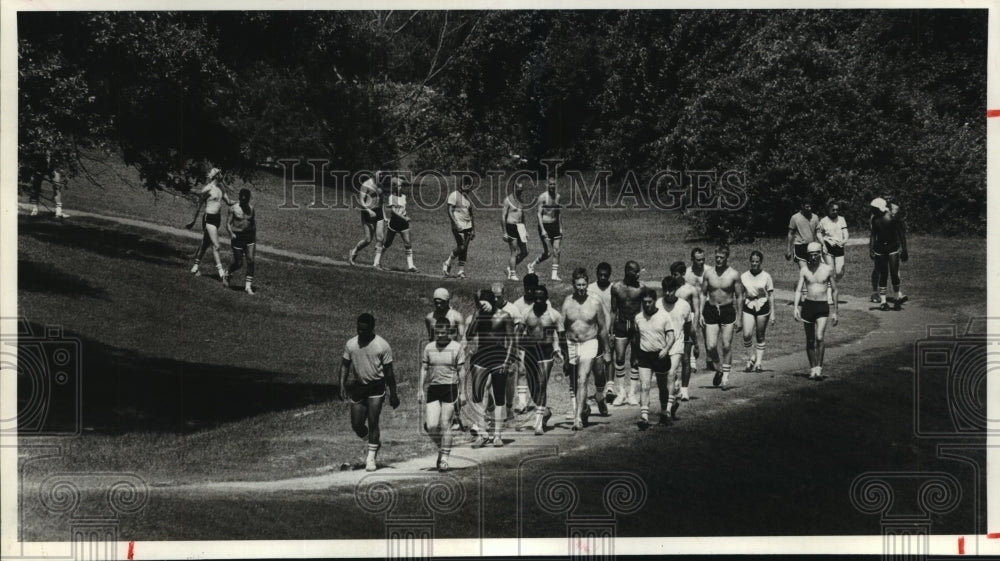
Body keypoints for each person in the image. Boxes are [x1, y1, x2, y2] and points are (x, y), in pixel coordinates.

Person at [339, 313, 400, 472]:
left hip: (376, 386)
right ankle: (373, 442)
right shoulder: (351, 344)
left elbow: (389, 372)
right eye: (358, 329)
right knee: (357, 424)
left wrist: (393, 393)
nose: (360, 332)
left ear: (372, 328)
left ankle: (371, 458)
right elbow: (345, 366)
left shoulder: (382, 345)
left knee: (373, 421)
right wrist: (341, 386)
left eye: (364, 329)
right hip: (359, 386)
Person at [464, 289, 516, 447]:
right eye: (480, 305)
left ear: (492, 301)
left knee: (499, 396)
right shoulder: (479, 315)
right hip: (482, 357)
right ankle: (482, 433)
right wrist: (477, 316)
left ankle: (498, 435)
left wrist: (508, 361)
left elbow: (512, 341)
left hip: (499, 358)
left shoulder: (504, 316)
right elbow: (469, 336)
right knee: (479, 395)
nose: (483, 307)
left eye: (485, 304)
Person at [561, 268, 611, 430]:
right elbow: (561, 328)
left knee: (583, 378)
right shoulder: (567, 302)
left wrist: (607, 351)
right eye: (578, 285)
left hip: (590, 342)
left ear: (587, 284)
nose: (581, 288)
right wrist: (562, 352)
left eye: (583, 284)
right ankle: (584, 409)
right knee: (574, 381)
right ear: (573, 285)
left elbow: (603, 329)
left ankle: (577, 418)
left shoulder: (595, 302)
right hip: (571, 344)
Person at [419, 319, 467, 472]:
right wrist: (420, 389)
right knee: (431, 426)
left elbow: (461, 371)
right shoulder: (428, 348)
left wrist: (463, 392)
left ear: (449, 332)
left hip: (450, 388)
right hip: (434, 388)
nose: (440, 335)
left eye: (443, 333)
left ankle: (444, 460)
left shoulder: (456, 347)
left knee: (445, 424)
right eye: (437, 332)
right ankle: (442, 447)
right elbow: (424, 369)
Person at [521, 285, 564, 435]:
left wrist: (562, 353)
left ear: (546, 299)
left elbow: (561, 334)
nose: (538, 300)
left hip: (546, 353)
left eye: (541, 298)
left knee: (541, 383)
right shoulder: (526, 313)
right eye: (536, 298)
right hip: (530, 353)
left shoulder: (554, 315)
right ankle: (545, 412)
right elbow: (519, 333)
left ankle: (538, 423)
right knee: (533, 387)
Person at [699, 245, 744, 390]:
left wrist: (740, 317)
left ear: (727, 258)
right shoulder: (708, 273)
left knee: (726, 345)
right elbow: (702, 294)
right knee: (711, 346)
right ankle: (718, 368)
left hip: (727, 311)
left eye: (721, 257)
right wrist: (700, 313)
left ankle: (725, 377)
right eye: (716, 257)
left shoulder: (734, 274)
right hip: (711, 310)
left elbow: (739, 296)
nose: (718, 260)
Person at [793, 243, 839, 379]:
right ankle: (812, 368)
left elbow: (835, 290)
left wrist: (836, 311)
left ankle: (819, 367)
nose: (813, 257)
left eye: (815, 254)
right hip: (808, 306)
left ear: (820, 254)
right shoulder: (804, 270)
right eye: (811, 255)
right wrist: (795, 307)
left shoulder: (828, 269)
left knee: (819, 337)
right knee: (810, 340)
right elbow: (798, 290)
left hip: (822, 306)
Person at [632, 287, 676, 430]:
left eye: (649, 302)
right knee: (644, 386)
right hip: (645, 356)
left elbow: (671, 336)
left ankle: (664, 413)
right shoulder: (638, 318)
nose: (647, 305)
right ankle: (644, 417)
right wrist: (635, 356)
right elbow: (636, 337)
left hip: (660, 355)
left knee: (662, 387)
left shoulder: (664, 316)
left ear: (655, 301)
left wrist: (666, 349)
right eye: (644, 302)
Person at [186, 168, 233, 285]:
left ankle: (195, 267)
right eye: (220, 173)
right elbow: (199, 205)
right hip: (208, 219)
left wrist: (242, 203)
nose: (222, 175)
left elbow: (228, 202)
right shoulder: (207, 189)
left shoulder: (221, 187)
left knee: (205, 243)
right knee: (216, 245)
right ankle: (222, 274)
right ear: (215, 176)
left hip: (217, 220)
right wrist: (193, 220)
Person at [657, 275, 692, 422]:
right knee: (663, 379)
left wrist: (689, 344)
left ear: (675, 290)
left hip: (677, 344)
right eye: (665, 290)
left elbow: (688, 326)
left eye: (670, 290)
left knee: (671, 373)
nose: (667, 293)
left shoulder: (684, 305)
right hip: (660, 345)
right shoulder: (658, 304)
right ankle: (674, 396)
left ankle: (668, 410)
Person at [610, 261, 644, 406]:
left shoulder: (642, 288)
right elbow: (613, 311)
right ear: (628, 271)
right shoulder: (616, 288)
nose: (638, 274)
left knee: (635, 360)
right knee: (619, 358)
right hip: (621, 326)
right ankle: (621, 392)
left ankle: (632, 393)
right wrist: (610, 331)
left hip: (636, 327)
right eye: (636, 272)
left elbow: (644, 310)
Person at [869, 197, 909, 311]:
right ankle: (883, 301)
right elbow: (873, 235)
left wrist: (904, 249)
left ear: (880, 208)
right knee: (883, 274)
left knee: (894, 273)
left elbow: (901, 234)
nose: (872, 210)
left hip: (892, 248)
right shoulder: (875, 220)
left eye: (873, 208)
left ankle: (897, 299)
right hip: (880, 249)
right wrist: (871, 250)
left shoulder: (892, 218)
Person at [739, 251, 775, 373]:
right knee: (747, 334)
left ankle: (759, 363)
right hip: (748, 305)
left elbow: (770, 295)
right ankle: (751, 357)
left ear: (760, 262)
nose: (754, 264)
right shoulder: (744, 276)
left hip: (762, 305)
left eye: (757, 261)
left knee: (760, 334)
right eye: (752, 261)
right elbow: (740, 295)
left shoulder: (766, 276)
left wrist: (773, 314)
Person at [670, 261, 699, 401]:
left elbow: (696, 310)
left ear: (682, 274)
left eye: (675, 274)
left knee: (685, 358)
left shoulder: (690, 290)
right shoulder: (670, 288)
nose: (673, 277)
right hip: (673, 326)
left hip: (687, 325)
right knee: (672, 358)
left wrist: (695, 327)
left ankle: (685, 389)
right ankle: (675, 382)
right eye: (671, 274)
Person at [587, 262, 613, 413]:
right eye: (600, 275)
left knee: (602, 365)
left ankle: (603, 393)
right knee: (585, 370)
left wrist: (609, 332)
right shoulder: (589, 288)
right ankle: (585, 402)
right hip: (589, 333)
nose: (602, 278)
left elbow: (609, 313)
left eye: (605, 275)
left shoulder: (612, 288)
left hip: (603, 331)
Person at [376, 177, 418, 272]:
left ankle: (411, 266)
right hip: (394, 223)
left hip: (403, 223)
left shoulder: (403, 197)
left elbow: (403, 210)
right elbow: (394, 211)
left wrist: (405, 216)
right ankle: (377, 261)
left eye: (400, 186)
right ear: (394, 187)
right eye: (398, 186)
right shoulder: (392, 197)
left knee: (408, 243)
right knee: (387, 243)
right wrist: (405, 217)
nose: (400, 187)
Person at [529, 177, 563, 281]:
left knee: (557, 250)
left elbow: (558, 213)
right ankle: (532, 265)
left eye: (554, 184)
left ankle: (554, 275)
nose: (552, 186)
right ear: (547, 185)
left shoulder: (558, 197)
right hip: (545, 226)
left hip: (555, 226)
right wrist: (542, 229)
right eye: (550, 184)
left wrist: (560, 227)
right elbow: (539, 214)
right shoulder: (542, 197)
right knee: (548, 253)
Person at [349, 172, 386, 266]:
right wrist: (369, 211)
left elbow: (382, 202)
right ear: (374, 174)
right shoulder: (366, 185)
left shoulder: (381, 185)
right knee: (368, 239)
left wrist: (384, 216)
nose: (381, 176)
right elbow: (361, 201)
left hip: (379, 212)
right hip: (367, 212)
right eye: (379, 174)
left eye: (382, 174)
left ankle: (376, 263)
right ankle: (354, 251)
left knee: (380, 238)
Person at [225, 188, 257, 295]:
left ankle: (248, 287)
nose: (244, 202)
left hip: (249, 237)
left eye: (246, 200)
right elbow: (228, 224)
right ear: (239, 198)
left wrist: (253, 236)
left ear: (248, 199)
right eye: (243, 200)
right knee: (239, 263)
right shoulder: (233, 208)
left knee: (251, 260)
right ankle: (228, 272)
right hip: (237, 236)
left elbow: (253, 224)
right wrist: (231, 233)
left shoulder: (251, 209)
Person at [444, 176, 476, 279]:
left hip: (468, 227)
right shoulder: (454, 195)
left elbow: (471, 215)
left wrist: (473, 229)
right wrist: (456, 223)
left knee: (464, 249)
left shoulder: (467, 199)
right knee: (461, 247)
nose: (471, 190)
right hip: (458, 226)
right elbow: (449, 211)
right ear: (465, 185)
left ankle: (461, 271)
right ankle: (447, 262)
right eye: (470, 187)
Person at [502, 179, 530, 281]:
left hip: (520, 227)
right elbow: (503, 217)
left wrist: (525, 230)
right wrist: (504, 232)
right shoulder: (507, 200)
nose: (521, 191)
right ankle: (513, 274)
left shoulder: (521, 201)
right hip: (511, 227)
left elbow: (523, 217)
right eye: (519, 189)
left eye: (522, 189)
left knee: (525, 251)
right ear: (514, 188)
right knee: (514, 251)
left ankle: (510, 268)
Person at [685, 249, 707, 373]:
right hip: (693, 308)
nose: (701, 262)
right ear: (692, 259)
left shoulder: (709, 271)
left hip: (707, 306)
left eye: (703, 259)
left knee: (708, 335)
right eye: (698, 260)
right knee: (693, 331)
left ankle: (710, 359)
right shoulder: (687, 274)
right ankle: (692, 361)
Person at [27, 152, 68, 218]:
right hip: (40, 163)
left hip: (53, 164)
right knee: (36, 186)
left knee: (57, 186)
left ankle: (58, 211)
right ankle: (34, 210)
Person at [818, 200, 848, 282]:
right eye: (833, 210)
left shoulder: (841, 219)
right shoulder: (823, 221)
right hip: (828, 247)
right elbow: (819, 234)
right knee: (830, 270)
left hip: (839, 246)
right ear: (829, 210)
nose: (835, 212)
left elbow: (846, 234)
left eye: (837, 210)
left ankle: (834, 282)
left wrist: (843, 241)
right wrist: (824, 242)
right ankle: (830, 288)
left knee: (839, 272)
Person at [785, 200, 819, 271]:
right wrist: (788, 249)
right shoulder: (795, 217)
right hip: (799, 246)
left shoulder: (815, 217)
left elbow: (818, 233)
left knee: (812, 270)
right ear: (802, 206)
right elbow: (790, 233)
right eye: (807, 207)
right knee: (804, 270)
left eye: (810, 206)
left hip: (812, 247)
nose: (809, 208)